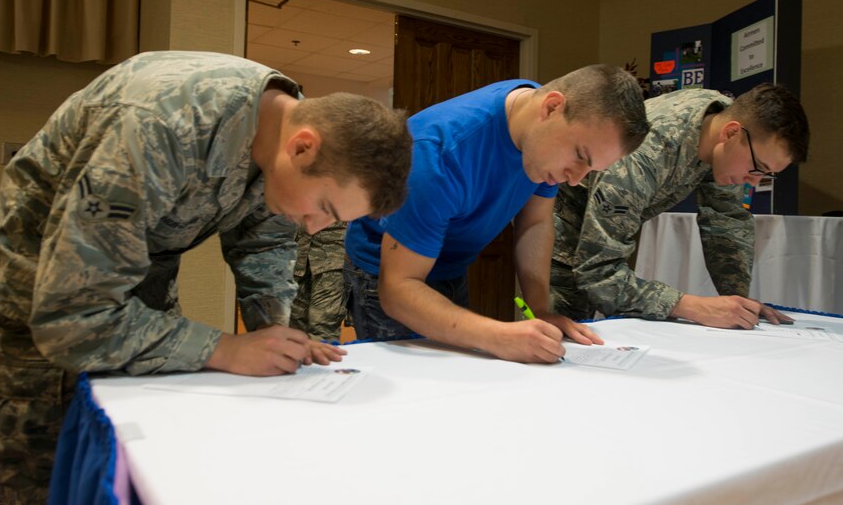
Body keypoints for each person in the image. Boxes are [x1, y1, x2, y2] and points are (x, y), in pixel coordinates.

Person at [0, 50, 412, 501]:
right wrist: (225, 349)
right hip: (45, 293)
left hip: (138, 290)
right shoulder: (156, 126)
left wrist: (278, 335)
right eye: (324, 208)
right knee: (49, 472)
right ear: (303, 146)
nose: (316, 227)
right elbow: (72, 317)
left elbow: (264, 244)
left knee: (140, 455)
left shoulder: (286, 137)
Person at [343, 65, 650, 364]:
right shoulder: (436, 154)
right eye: (580, 157)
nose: (574, 178)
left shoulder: (536, 126)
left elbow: (536, 222)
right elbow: (398, 290)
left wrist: (540, 310)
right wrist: (497, 336)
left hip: (449, 266)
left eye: (591, 168)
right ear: (552, 107)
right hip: (385, 273)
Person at [550, 83, 809, 328]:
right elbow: (598, 275)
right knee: (562, 347)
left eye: (766, 175)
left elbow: (725, 218)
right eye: (757, 168)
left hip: (596, 249)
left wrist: (737, 303)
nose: (753, 181)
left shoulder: (722, 123)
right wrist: (692, 306)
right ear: (730, 133)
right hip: (562, 247)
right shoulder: (643, 155)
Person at [290, 221, 348, 342]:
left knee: (323, 327)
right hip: (299, 256)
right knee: (294, 324)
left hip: (333, 257)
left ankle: (322, 360)